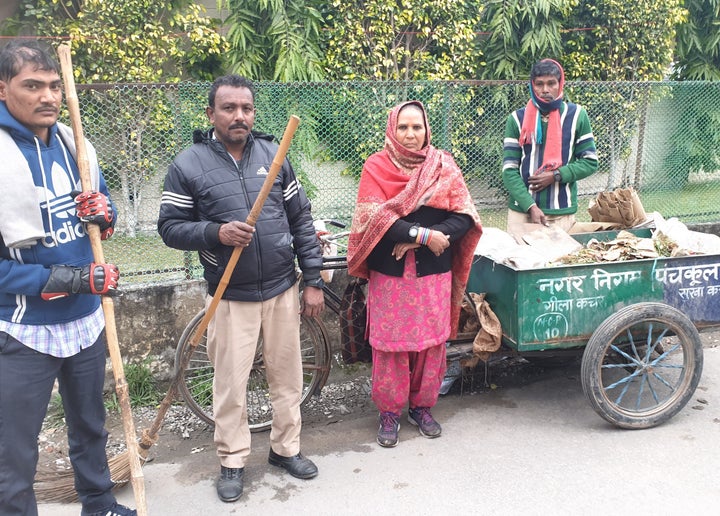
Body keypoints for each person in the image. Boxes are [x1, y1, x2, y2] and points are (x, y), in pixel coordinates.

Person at [157, 74, 324, 502]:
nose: (239, 116)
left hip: (283, 289)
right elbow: (170, 228)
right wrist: (215, 233)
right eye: (229, 108)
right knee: (231, 384)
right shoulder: (188, 164)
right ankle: (232, 460)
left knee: (287, 377)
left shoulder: (275, 153)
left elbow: (301, 219)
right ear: (211, 113)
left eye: (246, 109)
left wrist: (313, 279)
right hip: (230, 296)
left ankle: (286, 450)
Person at [0, 41, 133, 516]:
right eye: (31, 85)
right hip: (22, 330)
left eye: (54, 85)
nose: (48, 96)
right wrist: (75, 278)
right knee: (14, 451)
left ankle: (98, 503)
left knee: (90, 425)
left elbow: (102, 212)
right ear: (3, 89)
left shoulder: (76, 143)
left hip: (85, 320)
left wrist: (106, 212)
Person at [347, 101, 482, 448]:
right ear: (393, 129)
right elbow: (375, 219)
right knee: (390, 346)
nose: (410, 135)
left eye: (416, 127)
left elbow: (464, 216)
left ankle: (421, 407)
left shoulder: (443, 165)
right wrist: (420, 235)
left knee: (431, 344)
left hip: (433, 277)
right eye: (403, 127)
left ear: (426, 130)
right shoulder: (376, 167)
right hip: (390, 277)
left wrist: (418, 241)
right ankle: (389, 413)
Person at [502, 58, 598, 237]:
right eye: (539, 84)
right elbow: (509, 170)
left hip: (561, 214)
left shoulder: (577, 115)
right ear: (532, 85)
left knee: (558, 263)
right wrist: (530, 206)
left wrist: (555, 175)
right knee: (521, 263)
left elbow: (590, 162)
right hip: (521, 214)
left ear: (560, 84)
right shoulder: (516, 119)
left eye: (551, 83)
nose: (545, 90)